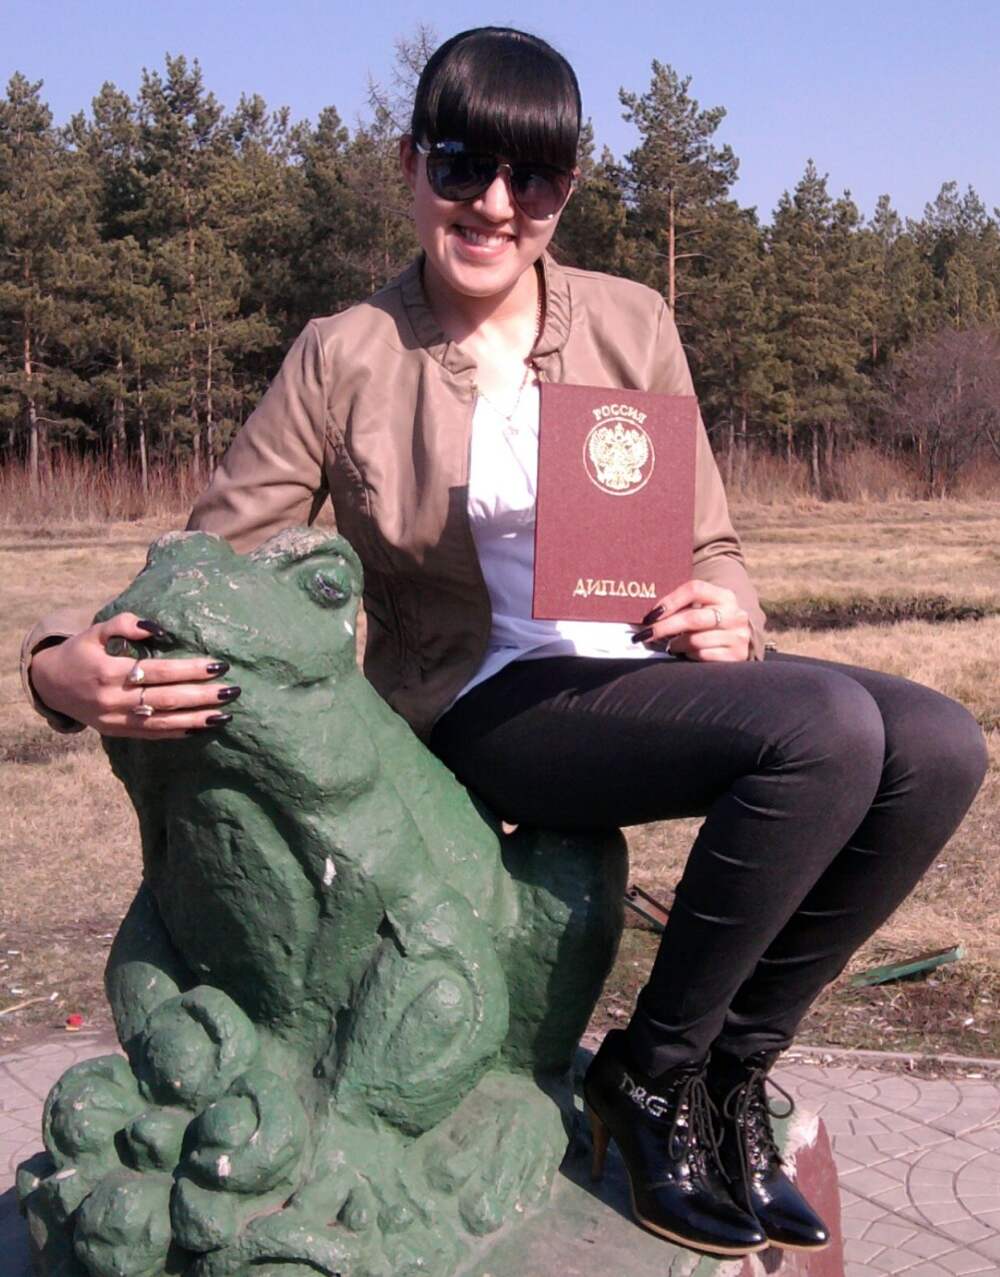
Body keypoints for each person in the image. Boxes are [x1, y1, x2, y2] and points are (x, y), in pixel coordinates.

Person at [22, 26, 987, 1261]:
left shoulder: (632, 320)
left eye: (530, 177)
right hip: (482, 701)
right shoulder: (345, 352)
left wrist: (728, 605)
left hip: (643, 669)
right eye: (461, 166)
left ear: (565, 188)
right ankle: (649, 1076)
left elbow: (709, 539)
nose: (492, 204)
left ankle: (729, 1073)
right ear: (409, 166)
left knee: (936, 745)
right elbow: (209, 559)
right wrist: (56, 664)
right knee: (830, 732)